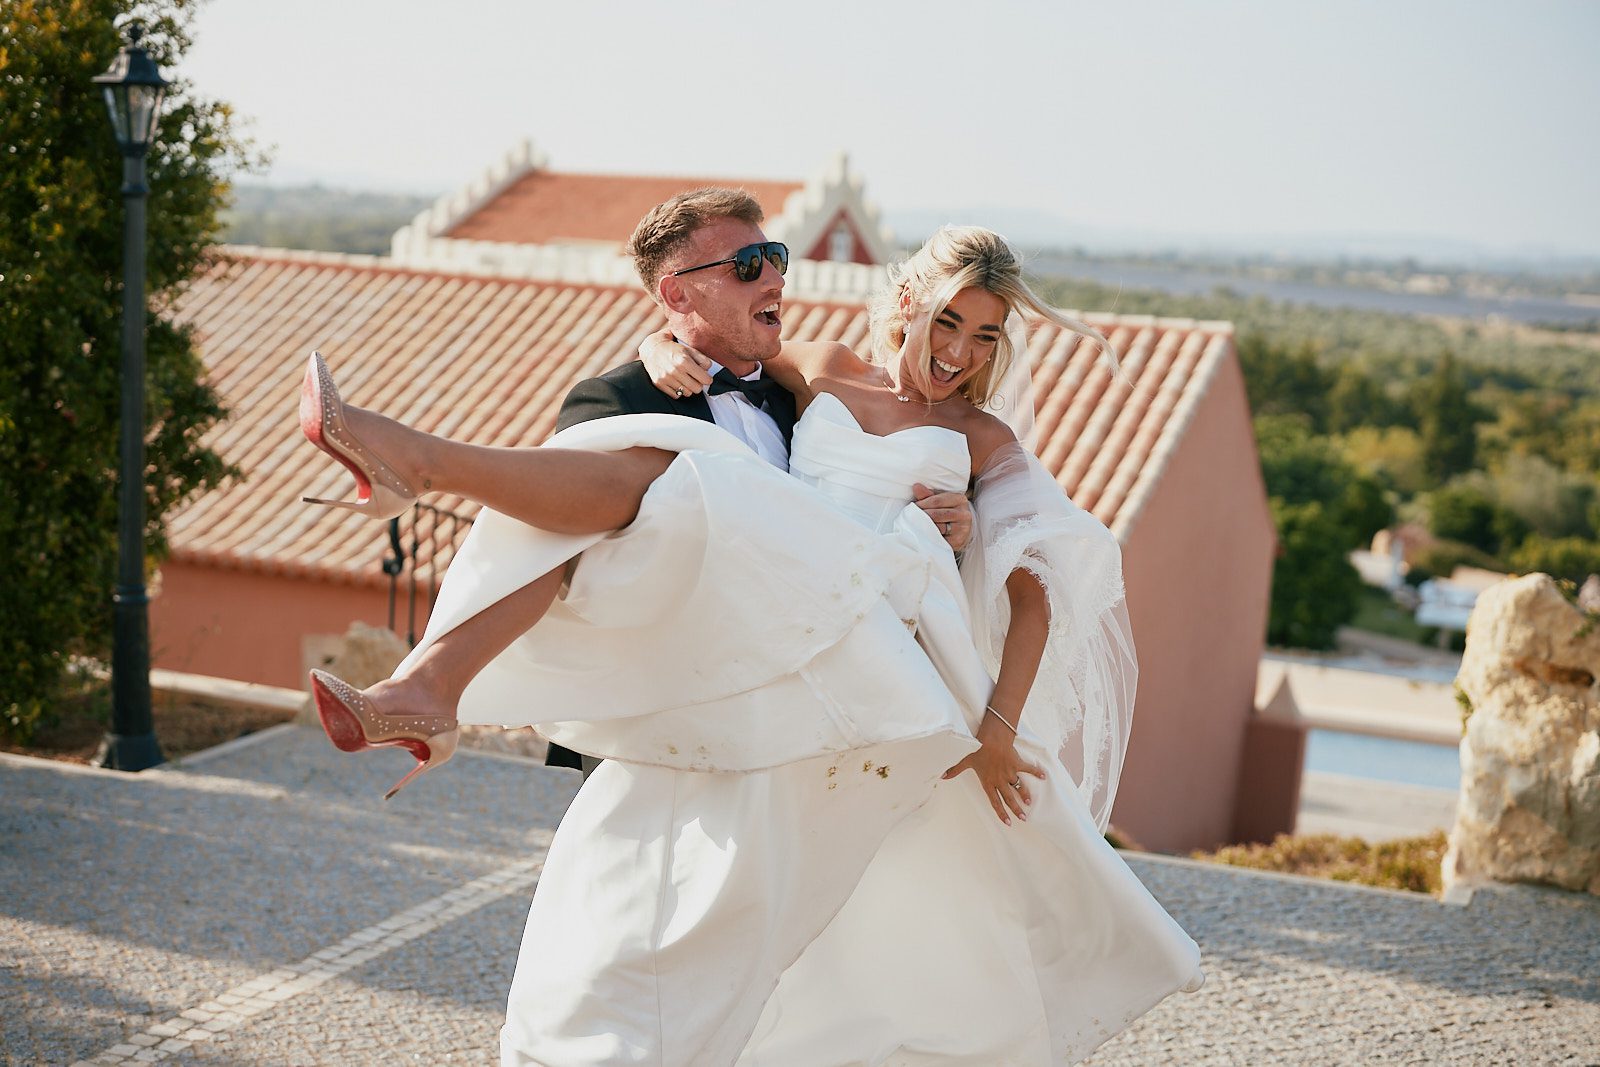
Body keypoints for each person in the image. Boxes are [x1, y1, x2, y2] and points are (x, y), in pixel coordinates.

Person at [298, 195, 1203, 1064]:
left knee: (700, 484)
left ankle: (421, 481)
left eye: (986, 336)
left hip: (857, 625)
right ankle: (432, 678)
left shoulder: (982, 439)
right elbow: (714, 358)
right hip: (759, 605)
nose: (959, 353)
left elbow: (1039, 579)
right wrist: (658, 344)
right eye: (948, 323)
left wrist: (988, 673)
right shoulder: (820, 365)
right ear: (904, 303)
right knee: (675, 476)